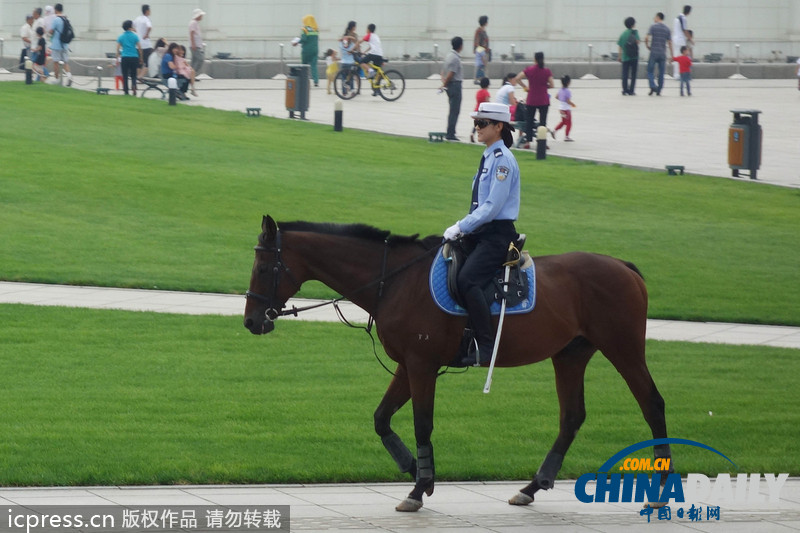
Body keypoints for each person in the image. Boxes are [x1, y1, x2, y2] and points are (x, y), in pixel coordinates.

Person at [442, 101, 520, 367]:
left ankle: (485, 346)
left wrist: (461, 226)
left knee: (467, 280)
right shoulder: (488, 156)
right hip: (480, 232)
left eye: (482, 123)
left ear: (499, 127)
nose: (476, 128)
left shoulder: (502, 162)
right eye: (475, 123)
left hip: (496, 235)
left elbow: (491, 207)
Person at [513, 51, 554, 147]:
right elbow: (552, 85)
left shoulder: (529, 70)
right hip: (543, 99)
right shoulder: (547, 71)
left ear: (534, 59)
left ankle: (528, 142)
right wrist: (544, 86)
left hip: (531, 99)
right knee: (543, 122)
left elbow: (518, 78)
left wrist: (525, 87)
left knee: (529, 121)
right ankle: (542, 142)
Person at [440, 36, 464, 142]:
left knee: (452, 110)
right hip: (455, 85)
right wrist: (445, 84)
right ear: (460, 46)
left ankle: (450, 131)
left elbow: (443, 72)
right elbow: (451, 73)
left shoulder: (449, 56)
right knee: (455, 110)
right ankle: (450, 133)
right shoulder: (455, 58)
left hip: (450, 85)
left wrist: (444, 83)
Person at [645, 12, 673, 96]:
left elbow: (646, 37)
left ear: (657, 17)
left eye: (655, 17)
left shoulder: (653, 27)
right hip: (662, 53)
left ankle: (653, 86)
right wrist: (672, 55)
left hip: (654, 52)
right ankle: (659, 90)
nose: (654, 19)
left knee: (650, 71)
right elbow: (670, 43)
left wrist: (647, 46)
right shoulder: (667, 29)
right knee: (661, 73)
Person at [116, 19, 142, 96]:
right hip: (134, 56)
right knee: (133, 74)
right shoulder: (135, 36)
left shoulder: (121, 37)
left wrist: (118, 57)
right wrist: (141, 57)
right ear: (130, 27)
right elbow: (139, 48)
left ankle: (126, 90)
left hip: (125, 57)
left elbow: (117, 48)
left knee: (125, 74)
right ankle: (134, 85)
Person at [292, 15, 319, 87]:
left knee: (304, 65)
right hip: (315, 50)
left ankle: (304, 79)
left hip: (306, 50)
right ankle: (316, 81)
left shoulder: (304, 29)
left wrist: (296, 42)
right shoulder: (316, 29)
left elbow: (304, 39)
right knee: (314, 66)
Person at [49, 3, 72, 86]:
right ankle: (69, 76)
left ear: (55, 10)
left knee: (56, 62)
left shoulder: (56, 19)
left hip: (56, 44)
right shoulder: (66, 19)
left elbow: (51, 31)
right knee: (65, 62)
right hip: (65, 44)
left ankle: (57, 79)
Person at [359, 23, 384, 95]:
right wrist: (364, 52)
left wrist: (353, 49)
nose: (366, 30)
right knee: (376, 73)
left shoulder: (369, 35)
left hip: (374, 54)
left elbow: (360, 41)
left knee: (361, 62)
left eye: (366, 29)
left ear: (368, 29)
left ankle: (370, 71)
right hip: (379, 55)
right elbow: (371, 47)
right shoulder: (376, 36)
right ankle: (376, 90)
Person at [617, 17, 640, 96]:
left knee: (625, 74)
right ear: (633, 24)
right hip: (634, 57)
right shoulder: (635, 32)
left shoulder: (623, 34)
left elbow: (620, 45)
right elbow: (638, 42)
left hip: (625, 57)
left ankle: (625, 90)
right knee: (633, 74)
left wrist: (619, 56)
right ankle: (631, 90)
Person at [553, 75, 576, 142]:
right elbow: (568, 101)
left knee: (563, 122)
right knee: (569, 123)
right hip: (566, 110)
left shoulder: (560, 90)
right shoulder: (568, 91)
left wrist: (562, 99)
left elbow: (556, 97)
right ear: (568, 82)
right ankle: (566, 136)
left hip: (561, 109)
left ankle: (554, 131)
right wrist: (572, 104)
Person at [133, 4, 153, 79]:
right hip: (146, 45)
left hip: (138, 45)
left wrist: (137, 32)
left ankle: (137, 77)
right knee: (148, 62)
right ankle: (140, 77)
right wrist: (146, 34)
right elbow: (149, 27)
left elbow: (132, 26)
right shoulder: (146, 19)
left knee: (139, 63)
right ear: (147, 11)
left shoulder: (138, 18)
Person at [338, 22, 358, 96]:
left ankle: (344, 92)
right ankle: (352, 91)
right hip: (350, 63)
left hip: (343, 63)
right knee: (351, 77)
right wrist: (351, 38)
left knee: (343, 77)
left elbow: (339, 40)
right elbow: (356, 43)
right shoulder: (351, 45)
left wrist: (345, 38)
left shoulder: (341, 45)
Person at [469, 77, 491, 143]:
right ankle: (485, 138)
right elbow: (487, 102)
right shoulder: (486, 93)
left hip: (477, 109)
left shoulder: (478, 92)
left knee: (477, 124)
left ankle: (472, 133)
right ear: (488, 84)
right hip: (483, 111)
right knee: (485, 125)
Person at [672, 6, 692, 78]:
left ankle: (676, 74)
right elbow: (685, 30)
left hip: (675, 39)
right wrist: (690, 39)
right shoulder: (683, 18)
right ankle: (681, 74)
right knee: (683, 57)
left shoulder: (676, 18)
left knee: (677, 57)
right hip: (680, 40)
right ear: (689, 12)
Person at [473, 15, 490, 84]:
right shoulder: (479, 31)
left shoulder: (483, 30)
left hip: (485, 50)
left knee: (484, 66)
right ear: (485, 22)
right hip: (481, 51)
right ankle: (477, 79)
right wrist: (481, 53)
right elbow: (477, 42)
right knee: (479, 65)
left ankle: (484, 79)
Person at [189, 8, 205, 75]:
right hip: (195, 46)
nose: (202, 17)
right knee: (200, 59)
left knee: (194, 61)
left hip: (197, 45)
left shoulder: (195, 23)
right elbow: (192, 33)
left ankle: (190, 75)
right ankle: (193, 74)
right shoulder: (193, 23)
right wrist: (193, 44)